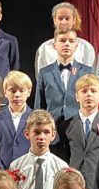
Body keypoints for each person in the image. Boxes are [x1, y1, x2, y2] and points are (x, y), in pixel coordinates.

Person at [35, 29, 93, 159]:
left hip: (78, 130)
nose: (66, 44)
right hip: (53, 131)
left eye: (71, 41)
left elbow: (92, 104)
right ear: (54, 45)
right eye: (62, 40)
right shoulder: (44, 72)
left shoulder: (86, 71)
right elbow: (39, 106)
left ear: (76, 46)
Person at [65, 74, 99, 189]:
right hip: (74, 183)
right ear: (77, 97)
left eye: (93, 91)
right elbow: (64, 155)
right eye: (84, 91)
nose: (89, 94)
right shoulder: (66, 125)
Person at [0, 70, 33, 170]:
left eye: (22, 90)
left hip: (29, 172)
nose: (17, 95)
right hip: (3, 174)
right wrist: (2, 172)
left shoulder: (34, 118)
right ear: (5, 92)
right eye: (12, 91)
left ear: (29, 92)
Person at [33, 2, 96, 72]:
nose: (63, 22)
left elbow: (90, 75)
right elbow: (40, 75)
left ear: (74, 20)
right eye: (60, 18)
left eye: (67, 18)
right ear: (54, 20)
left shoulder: (86, 47)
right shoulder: (44, 48)